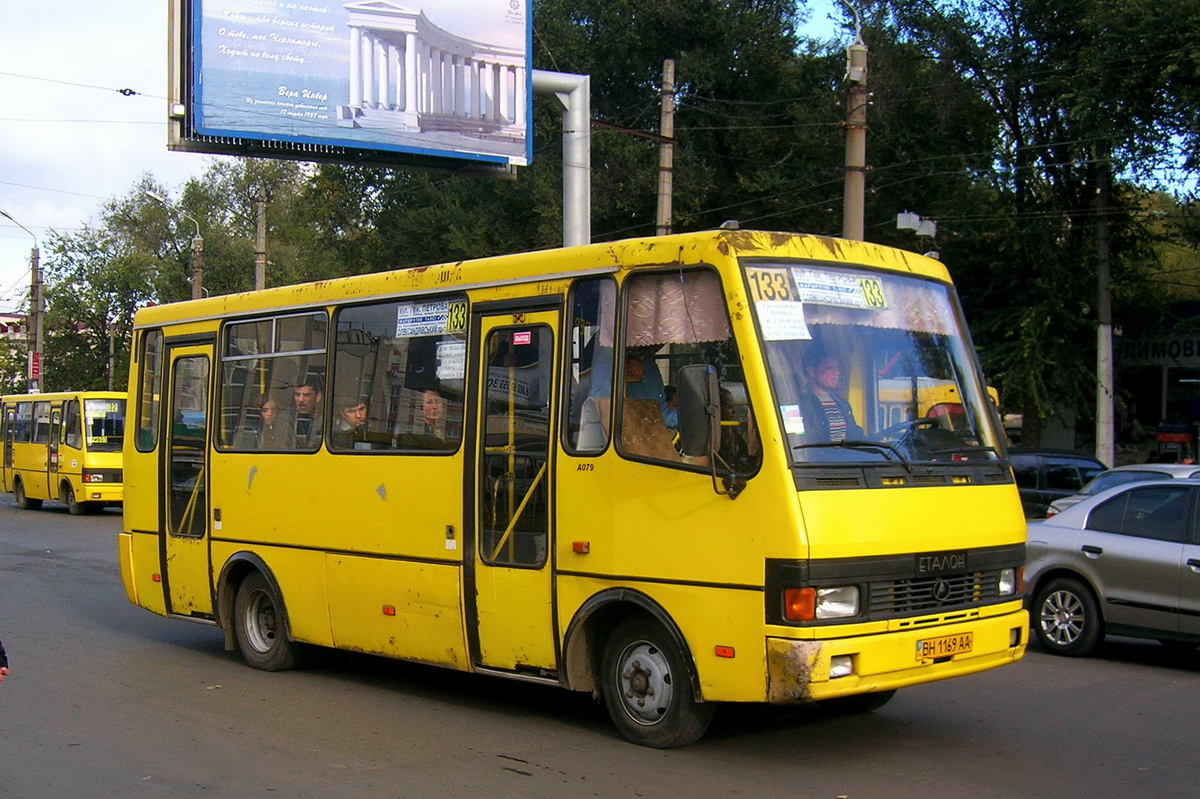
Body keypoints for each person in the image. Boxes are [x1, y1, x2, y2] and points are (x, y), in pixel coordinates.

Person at [799, 353, 863, 442]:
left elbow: (855, 437)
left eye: (837, 368)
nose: (837, 372)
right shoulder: (802, 404)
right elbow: (799, 439)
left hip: (844, 455)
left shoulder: (843, 405)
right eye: (829, 368)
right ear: (812, 372)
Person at [292, 375, 323, 447]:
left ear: (318, 396)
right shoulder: (287, 418)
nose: (300, 400)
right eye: (297, 395)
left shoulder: (326, 421)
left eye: (306, 395)